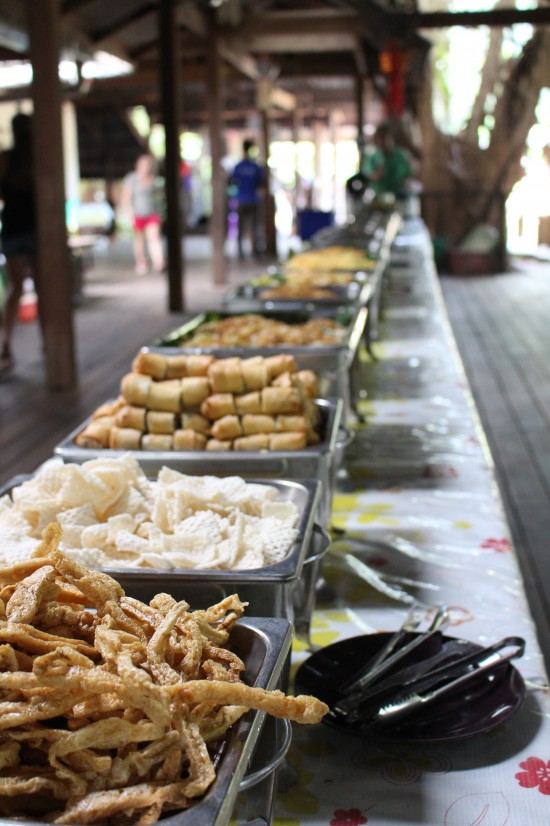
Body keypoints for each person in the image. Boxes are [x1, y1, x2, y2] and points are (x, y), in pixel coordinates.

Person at [0, 113, 37, 374]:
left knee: (18, 289)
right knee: (31, 289)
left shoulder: (8, 160)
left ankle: (6, 343)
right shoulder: (31, 159)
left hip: (19, 229)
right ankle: (6, 343)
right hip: (26, 230)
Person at [121, 153, 165, 275]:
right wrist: (129, 214)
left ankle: (158, 262)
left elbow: (159, 198)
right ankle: (141, 262)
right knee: (139, 240)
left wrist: (160, 212)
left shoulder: (154, 179)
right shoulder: (131, 179)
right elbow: (126, 198)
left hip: (152, 214)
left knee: (154, 239)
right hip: (137, 214)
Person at [230, 139, 264, 259]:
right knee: (255, 227)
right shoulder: (255, 166)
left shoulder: (238, 166)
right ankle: (255, 253)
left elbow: (232, 182)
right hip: (253, 200)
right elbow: (261, 183)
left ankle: (241, 254)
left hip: (241, 200)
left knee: (241, 227)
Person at [362, 123, 412, 198]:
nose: (383, 142)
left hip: (399, 196)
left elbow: (407, 176)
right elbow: (370, 176)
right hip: (377, 196)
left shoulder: (400, 156)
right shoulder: (372, 156)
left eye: (386, 138)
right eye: (380, 139)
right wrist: (379, 172)